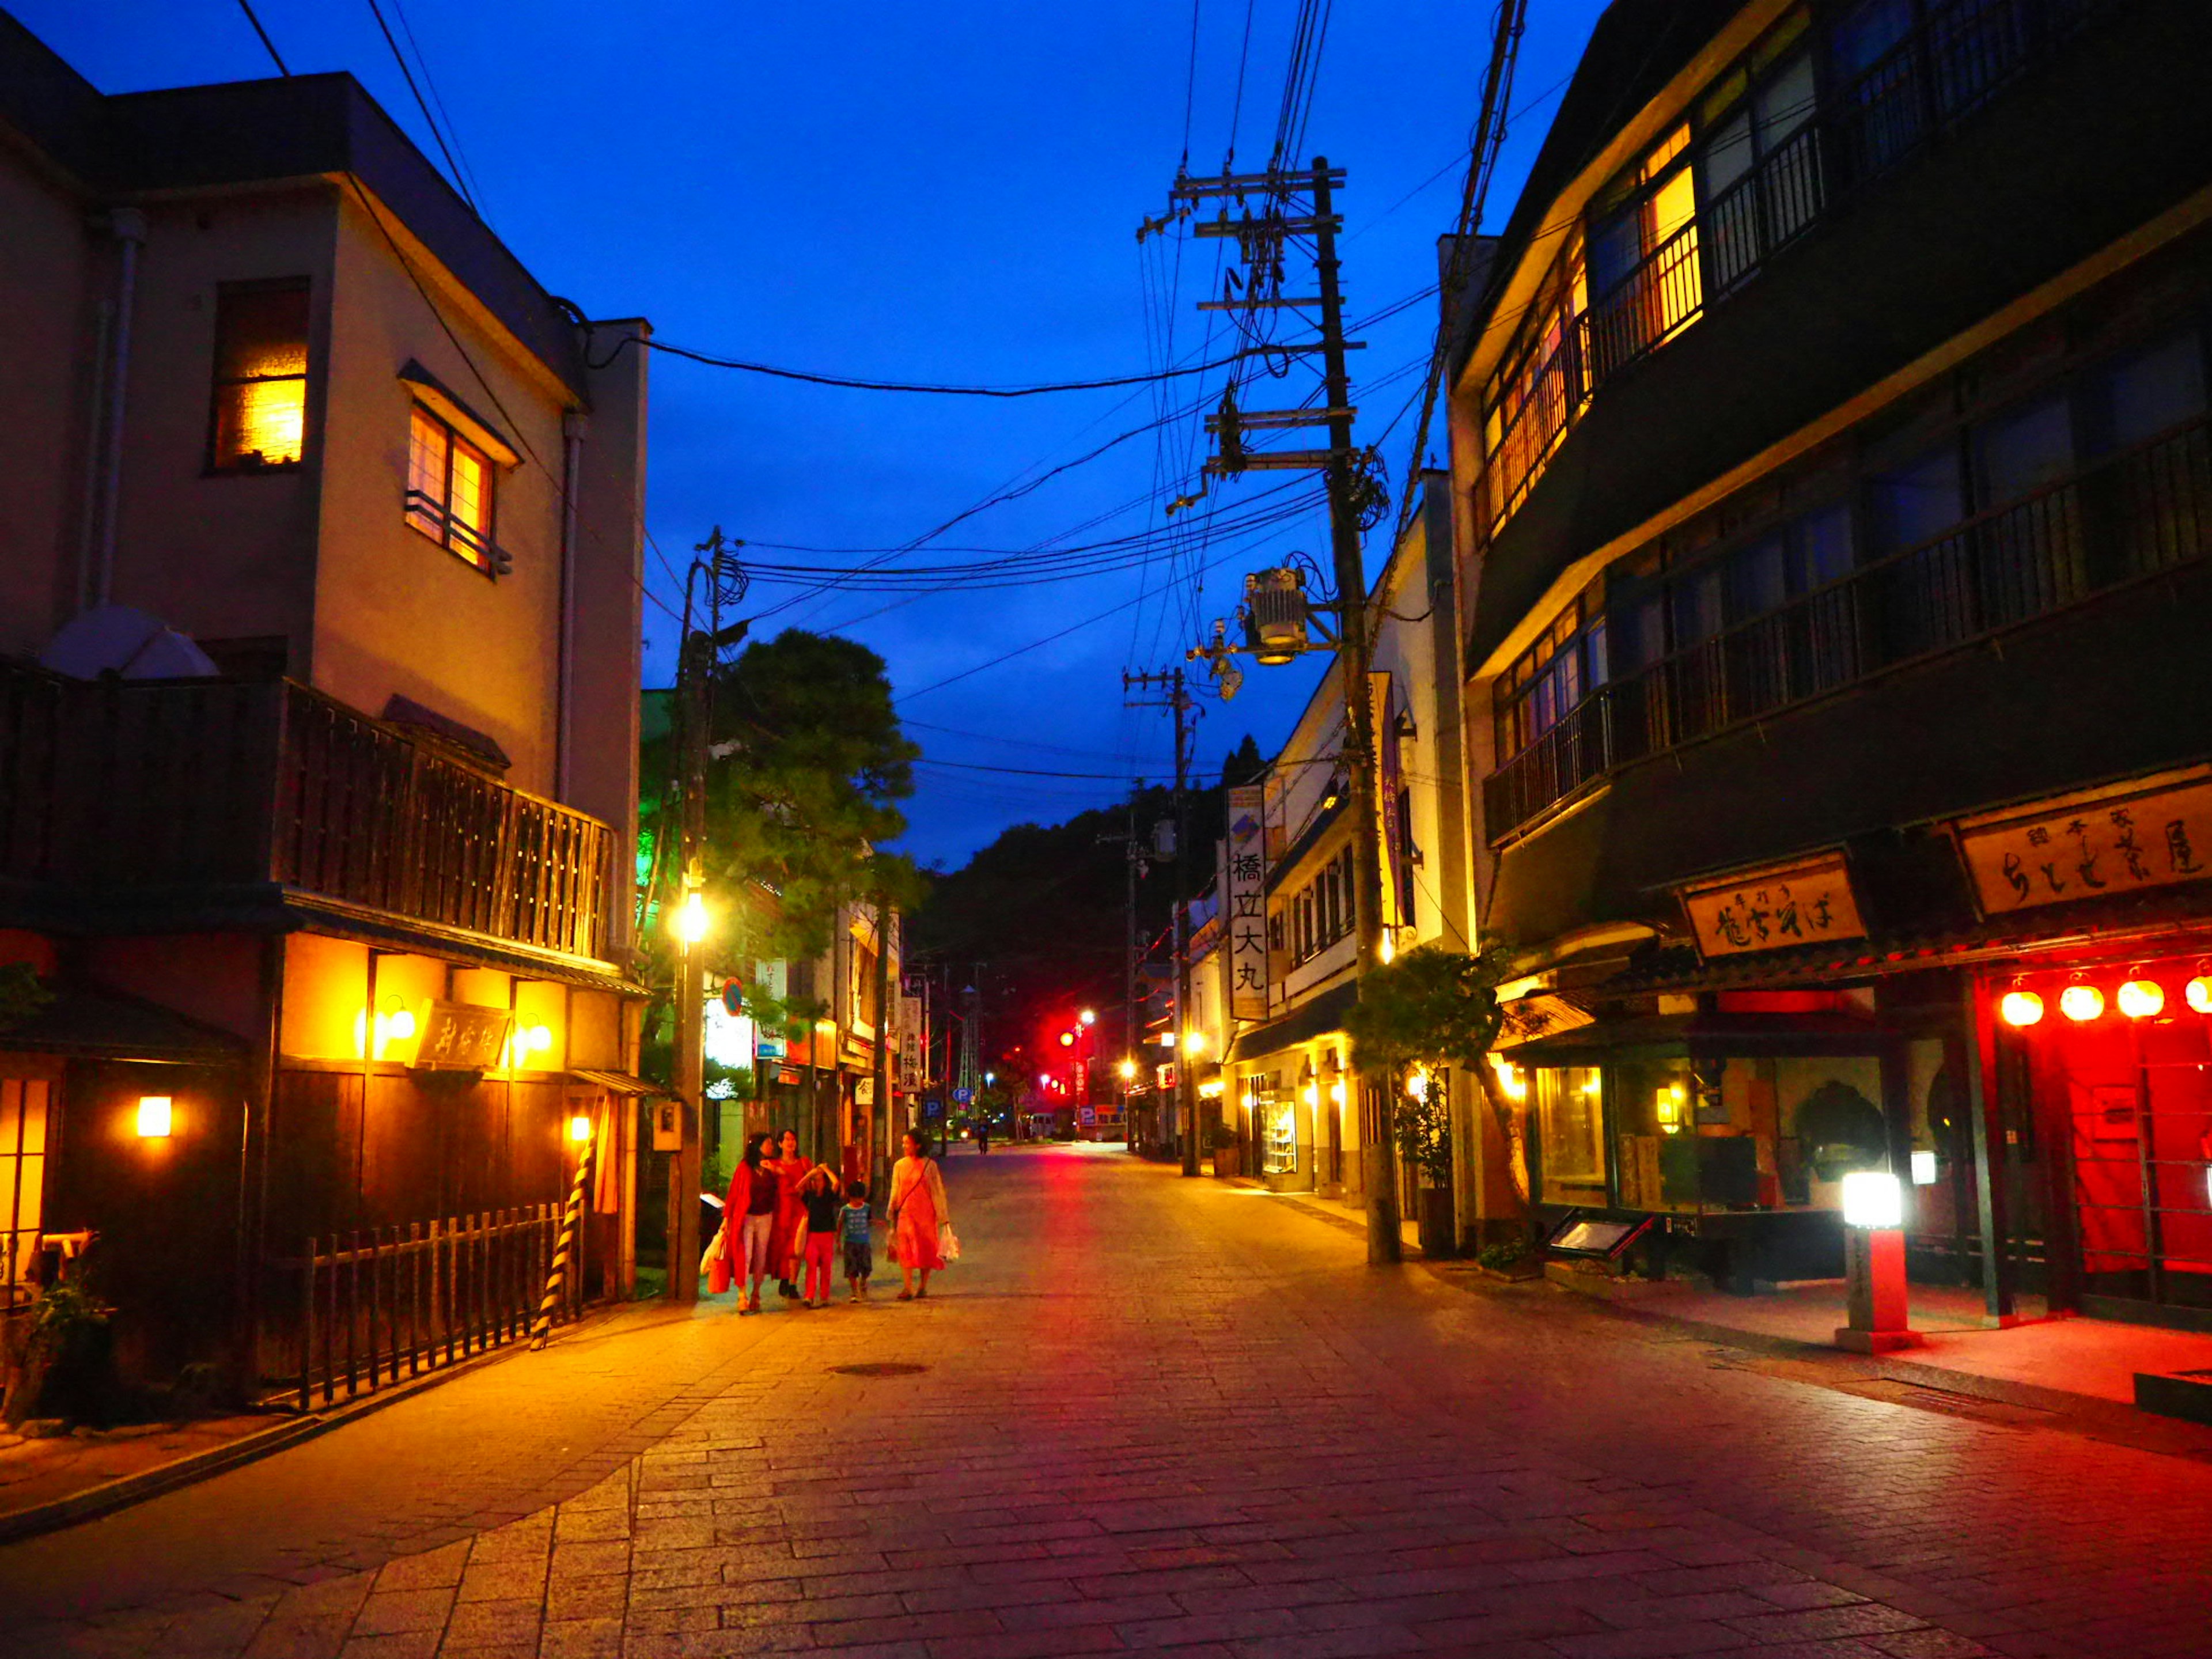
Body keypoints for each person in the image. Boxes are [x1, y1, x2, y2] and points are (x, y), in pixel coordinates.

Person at [887, 1128, 950, 1300]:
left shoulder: (930, 1166)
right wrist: (891, 1212)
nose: (904, 1146)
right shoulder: (899, 1165)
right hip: (905, 1214)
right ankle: (907, 1288)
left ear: (918, 1145)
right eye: (904, 1143)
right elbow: (895, 1190)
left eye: (907, 1143)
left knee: (926, 1249)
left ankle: (922, 1286)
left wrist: (943, 1217)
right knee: (905, 1249)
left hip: (925, 1215)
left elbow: (937, 1191)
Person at [721, 1132, 778, 1315]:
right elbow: (734, 1194)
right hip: (747, 1217)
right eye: (768, 1144)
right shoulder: (744, 1168)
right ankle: (742, 1295)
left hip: (766, 1217)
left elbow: (783, 1187)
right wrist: (726, 1219)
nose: (771, 1147)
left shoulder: (772, 1167)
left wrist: (775, 1170)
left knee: (761, 1256)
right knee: (745, 1256)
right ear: (758, 1146)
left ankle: (756, 1294)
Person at [767, 1128, 812, 1299]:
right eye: (787, 1140)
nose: (790, 1143)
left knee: (797, 1247)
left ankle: (793, 1283)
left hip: (798, 1209)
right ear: (780, 1144)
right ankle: (785, 1278)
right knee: (783, 1247)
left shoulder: (804, 1163)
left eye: (793, 1139)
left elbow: (813, 1182)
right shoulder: (774, 1165)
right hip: (781, 1209)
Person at [796, 1165, 841, 1309]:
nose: (817, 1183)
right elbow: (798, 1188)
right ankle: (809, 1295)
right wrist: (810, 1174)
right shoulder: (809, 1195)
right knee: (811, 1266)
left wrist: (826, 1170)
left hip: (827, 1234)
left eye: (820, 1180)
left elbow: (836, 1183)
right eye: (815, 1180)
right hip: (813, 1235)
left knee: (826, 1267)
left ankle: (824, 1296)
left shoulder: (829, 1194)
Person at [839, 1180, 873, 1301]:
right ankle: (854, 1291)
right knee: (851, 1268)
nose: (858, 1201)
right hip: (850, 1242)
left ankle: (863, 1282)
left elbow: (869, 1221)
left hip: (864, 1242)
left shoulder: (867, 1208)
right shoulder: (845, 1210)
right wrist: (838, 1241)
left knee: (866, 1267)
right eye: (855, 1198)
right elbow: (840, 1224)